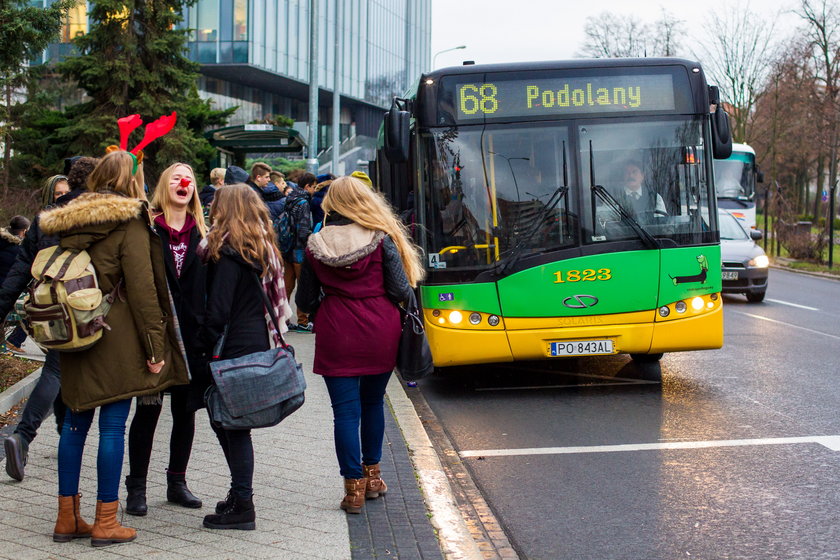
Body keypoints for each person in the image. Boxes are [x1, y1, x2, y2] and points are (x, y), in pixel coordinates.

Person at [38, 150, 188, 547]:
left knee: (73, 425)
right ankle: (106, 520)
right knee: (113, 426)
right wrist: (157, 349)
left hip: (74, 335)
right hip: (117, 337)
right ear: (131, 181)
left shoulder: (71, 219)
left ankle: (66, 518)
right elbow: (143, 291)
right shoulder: (130, 220)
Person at [295, 176, 424, 514]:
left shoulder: (315, 244)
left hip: (337, 332)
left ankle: (352, 491)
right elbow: (399, 290)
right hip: (379, 332)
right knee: (372, 404)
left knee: (345, 413)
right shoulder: (381, 240)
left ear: (331, 204)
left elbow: (306, 299)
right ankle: (374, 478)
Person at [197, 183, 293, 531]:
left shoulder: (227, 254)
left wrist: (200, 345)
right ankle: (239, 496)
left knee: (231, 426)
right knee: (231, 423)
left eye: (215, 206)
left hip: (230, 346)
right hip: (255, 340)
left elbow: (218, 311)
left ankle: (243, 504)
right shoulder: (262, 248)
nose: (210, 210)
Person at [1, 157, 99, 482]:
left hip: (49, 305)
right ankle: (32, 435)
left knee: (58, 368)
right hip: (86, 305)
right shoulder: (99, 214)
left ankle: (35, 436)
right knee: (62, 370)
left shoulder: (44, 218)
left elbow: (21, 267)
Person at [125, 162, 208, 517]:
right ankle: (137, 487)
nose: (183, 182)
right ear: (163, 186)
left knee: (185, 413)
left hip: (192, 339)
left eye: (188, 178)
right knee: (148, 411)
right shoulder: (147, 228)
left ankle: (177, 482)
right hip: (156, 337)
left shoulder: (205, 233)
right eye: (176, 177)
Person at [282, 172, 316, 331]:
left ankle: (283, 320)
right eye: (313, 187)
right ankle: (303, 321)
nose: (314, 190)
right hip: (299, 251)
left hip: (286, 248)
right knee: (303, 286)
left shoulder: (290, 198)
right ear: (307, 186)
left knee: (286, 287)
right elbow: (303, 230)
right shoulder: (303, 203)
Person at [1, 215, 31, 353]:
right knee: (30, 310)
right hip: (8, 290)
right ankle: (14, 340)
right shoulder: (19, 251)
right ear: (24, 231)